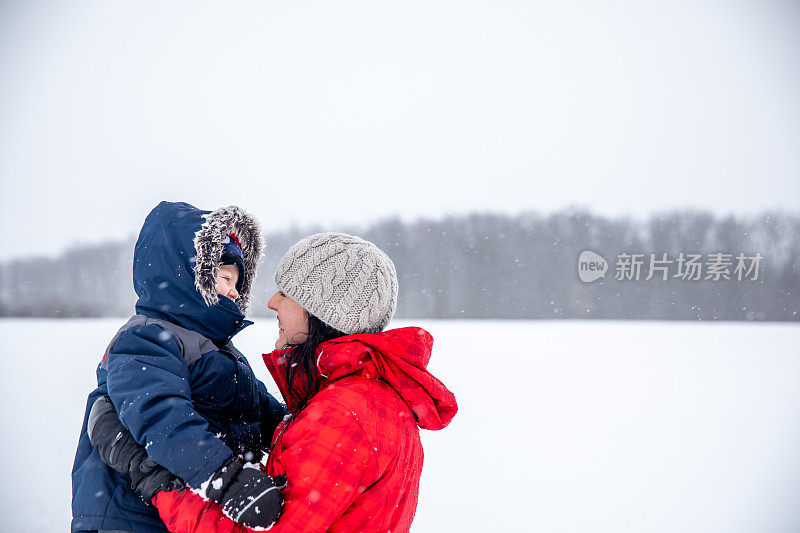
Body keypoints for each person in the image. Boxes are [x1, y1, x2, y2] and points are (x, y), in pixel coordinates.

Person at [90, 231, 459, 533]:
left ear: (321, 311)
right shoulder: (366, 401)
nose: (271, 302)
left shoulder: (346, 414)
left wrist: (154, 478)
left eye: (287, 292)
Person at [72, 201, 288, 533]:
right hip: (129, 514)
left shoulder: (219, 349)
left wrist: (290, 428)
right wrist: (226, 479)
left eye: (237, 283)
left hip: (181, 508)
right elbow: (163, 418)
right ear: (188, 276)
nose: (233, 291)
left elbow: (255, 406)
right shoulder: (147, 338)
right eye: (224, 277)